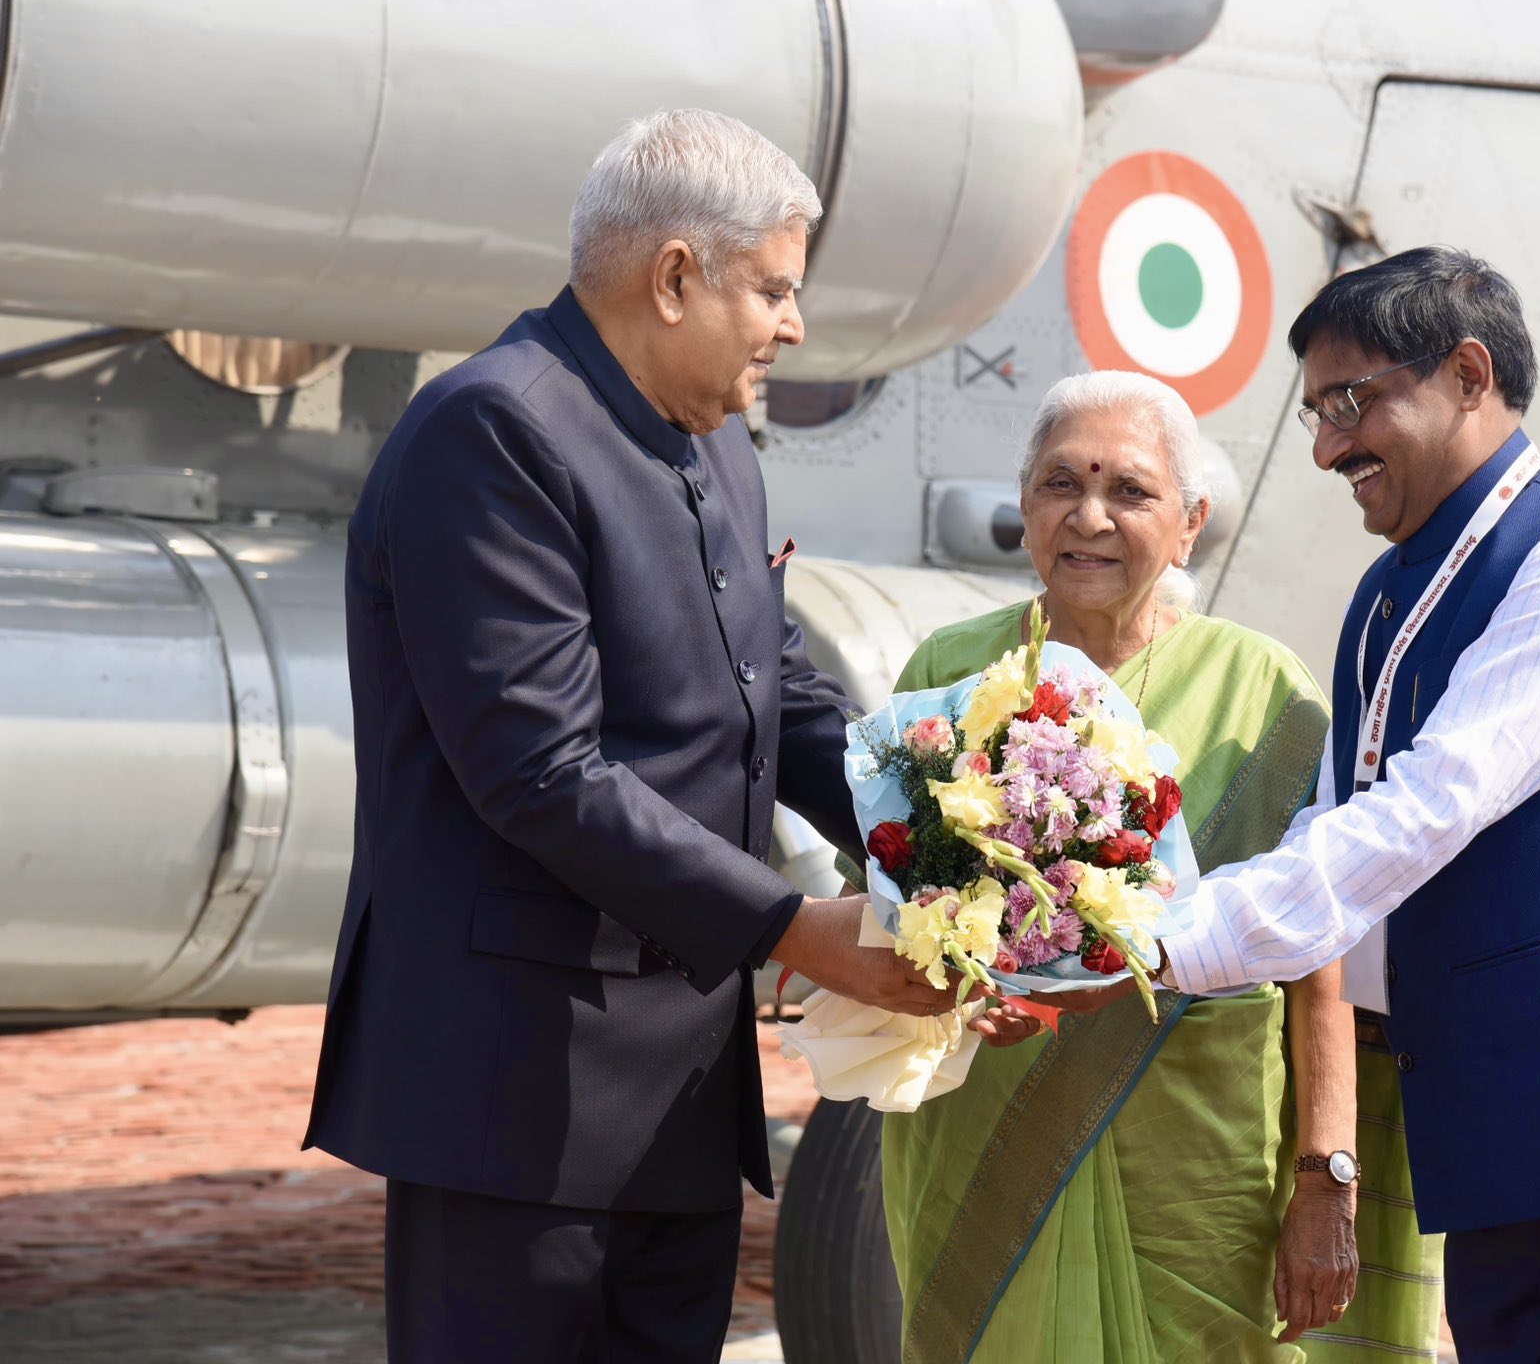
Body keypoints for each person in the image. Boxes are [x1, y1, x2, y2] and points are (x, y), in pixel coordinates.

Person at [303, 110, 955, 1364]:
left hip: (679, 1096)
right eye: (772, 289)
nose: (793, 325)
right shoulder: (492, 434)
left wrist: (951, 839)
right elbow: (541, 770)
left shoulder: (713, 442)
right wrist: (790, 926)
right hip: (516, 1095)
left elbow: (783, 696)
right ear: (672, 278)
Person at [1133, 249, 1540, 1362]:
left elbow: (1424, 809)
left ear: (1464, 373)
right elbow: (1333, 829)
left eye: (1349, 403)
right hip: (1491, 1143)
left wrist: (1153, 946)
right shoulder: (1386, 591)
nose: (1326, 447)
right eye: (1312, 414)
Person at [878, 371, 1443, 1362]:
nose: (1087, 517)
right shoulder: (946, 671)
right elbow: (893, 897)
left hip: (1197, 1162)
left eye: (1128, 491)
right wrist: (957, 989)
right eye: (1060, 483)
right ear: (1023, 507)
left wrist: (1325, 1179)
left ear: (1189, 525)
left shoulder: (1261, 693)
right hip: (980, 1140)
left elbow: (1322, 956)